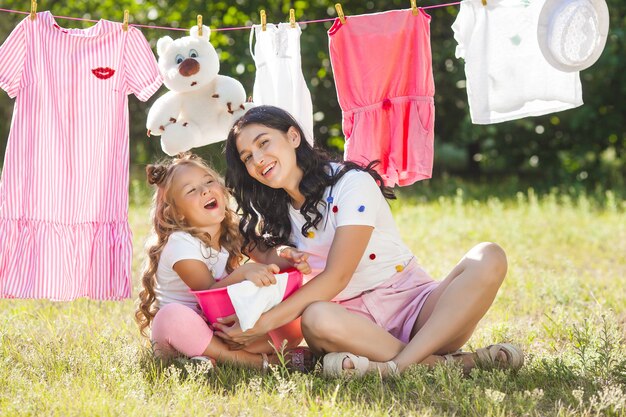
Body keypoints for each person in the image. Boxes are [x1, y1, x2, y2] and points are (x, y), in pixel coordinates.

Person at [216, 105, 523, 376]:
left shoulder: (351, 183)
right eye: (247, 157)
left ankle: (397, 368)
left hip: (420, 313)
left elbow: (339, 275)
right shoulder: (271, 214)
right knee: (316, 317)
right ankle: (450, 365)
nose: (258, 159)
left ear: (293, 137)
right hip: (351, 327)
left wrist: (265, 322)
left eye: (264, 143)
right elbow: (227, 237)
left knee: (489, 255)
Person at [135, 153, 313, 370]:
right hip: (182, 332)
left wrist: (289, 255)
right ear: (178, 214)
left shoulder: (230, 230)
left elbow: (266, 256)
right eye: (191, 190)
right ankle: (259, 363)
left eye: (209, 181)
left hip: (217, 328)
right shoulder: (180, 243)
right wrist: (243, 273)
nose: (205, 190)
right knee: (171, 317)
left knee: (287, 325)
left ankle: (207, 360)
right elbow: (207, 291)